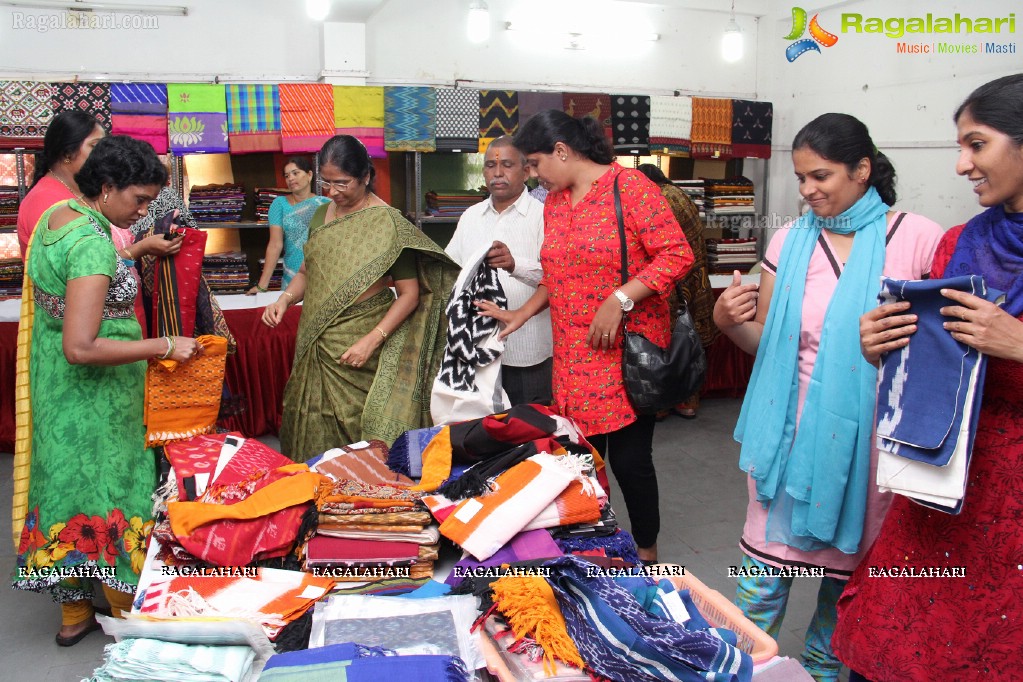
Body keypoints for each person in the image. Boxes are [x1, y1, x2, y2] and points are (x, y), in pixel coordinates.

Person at [713, 113, 944, 682]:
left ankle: (820, 672)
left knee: (845, 594)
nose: (807, 190)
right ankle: (742, 669)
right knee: (760, 585)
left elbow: (942, 355)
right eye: (800, 178)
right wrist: (725, 323)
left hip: (868, 449)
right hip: (786, 441)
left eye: (821, 176)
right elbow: (764, 341)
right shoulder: (790, 241)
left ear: (862, 170)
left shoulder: (917, 239)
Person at [833, 74, 1023, 682]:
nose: (962, 164)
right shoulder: (960, 244)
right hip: (942, 484)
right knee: (889, 647)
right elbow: (930, 370)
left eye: (977, 144)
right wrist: (882, 348)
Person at [477, 110, 694, 564]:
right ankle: (600, 543)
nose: (533, 175)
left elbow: (677, 255)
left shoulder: (630, 188)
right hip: (574, 358)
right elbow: (557, 275)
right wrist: (521, 314)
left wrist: (620, 299)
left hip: (625, 354)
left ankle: (647, 551)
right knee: (578, 461)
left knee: (631, 463)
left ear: (562, 150)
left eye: (534, 164)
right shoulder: (556, 202)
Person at [12, 136, 200, 647]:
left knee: (67, 489)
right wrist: (163, 344)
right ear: (107, 186)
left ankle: (74, 615)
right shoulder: (93, 245)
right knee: (117, 491)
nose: (143, 212)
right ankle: (127, 615)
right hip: (101, 394)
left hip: (58, 392)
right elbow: (82, 345)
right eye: (138, 200)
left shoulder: (60, 219)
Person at [262, 135, 458, 461]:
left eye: (343, 183)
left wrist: (372, 340)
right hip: (318, 343)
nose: (333, 192)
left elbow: (409, 295)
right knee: (310, 427)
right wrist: (284, 299)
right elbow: (308, 273)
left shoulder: (388, 223)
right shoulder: (319, 216)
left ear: (365, 177)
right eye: (327, 182)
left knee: (365, 441)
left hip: (365, 347)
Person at [445, 136, 553, 406]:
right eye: (490, 166)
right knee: (484, 431)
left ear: (526, 171)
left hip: (527, 349)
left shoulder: (545, 215)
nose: (497, 173)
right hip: (477, 347)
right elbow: (451, 270)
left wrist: (514, 265)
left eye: (506, 165)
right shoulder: (471, 216)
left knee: (529, 430)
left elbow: (559, 279)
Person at [637, 163, 718, 419]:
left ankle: (663, 404)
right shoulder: (680, 194)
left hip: (675, 281)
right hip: (695, 279)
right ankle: (689, 402)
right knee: (688, 340)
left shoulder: (660, 199)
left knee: (667, 344)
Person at [246, 156, 328, 294]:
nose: (290, 178)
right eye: (287, 175)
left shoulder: (325, 204)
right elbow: (275, 244)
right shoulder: (279, 204)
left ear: (309, 175)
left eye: (295, 173)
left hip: (321, 275)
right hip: (292, 274)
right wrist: (262, 286)